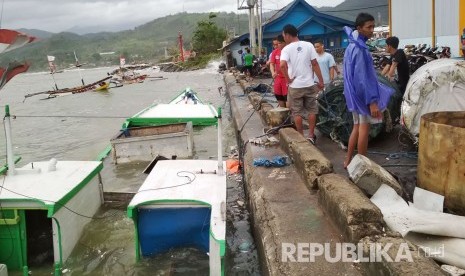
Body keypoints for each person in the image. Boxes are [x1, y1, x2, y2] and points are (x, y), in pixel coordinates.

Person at [342, 13, 394, 169]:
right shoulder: (361, 49)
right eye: (369, 27)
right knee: (364, 128)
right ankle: (363, 166)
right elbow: (362, 78)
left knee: (356, 127)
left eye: (373, 26)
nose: (372, 30)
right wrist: (371, 101)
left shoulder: (351, 45)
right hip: (362, 96)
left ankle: (348, 160)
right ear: (359, 28)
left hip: (353, 94)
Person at [280, 24, 324, 144]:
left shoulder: (286, 49)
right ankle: (310, 135)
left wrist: (288, 80)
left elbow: (282, 65)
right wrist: (321, 81)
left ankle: (301, 136)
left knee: (297, 112)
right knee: (311, 110)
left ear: (288, 35)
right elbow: (315, 64)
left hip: (295, 86)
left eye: (284, 35)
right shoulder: (309, 45)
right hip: (309, 84)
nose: (284, 38)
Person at [270, 35, 288, 107]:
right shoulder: (275, 52)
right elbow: (272, 63)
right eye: (275, 44)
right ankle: (283, 114)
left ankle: (289, 115)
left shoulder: (287, 51)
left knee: (286, 97)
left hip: (286, 78)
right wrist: (273, 72)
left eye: (278, 44)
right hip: (278, 78)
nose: (277, 46)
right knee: (278, 96)